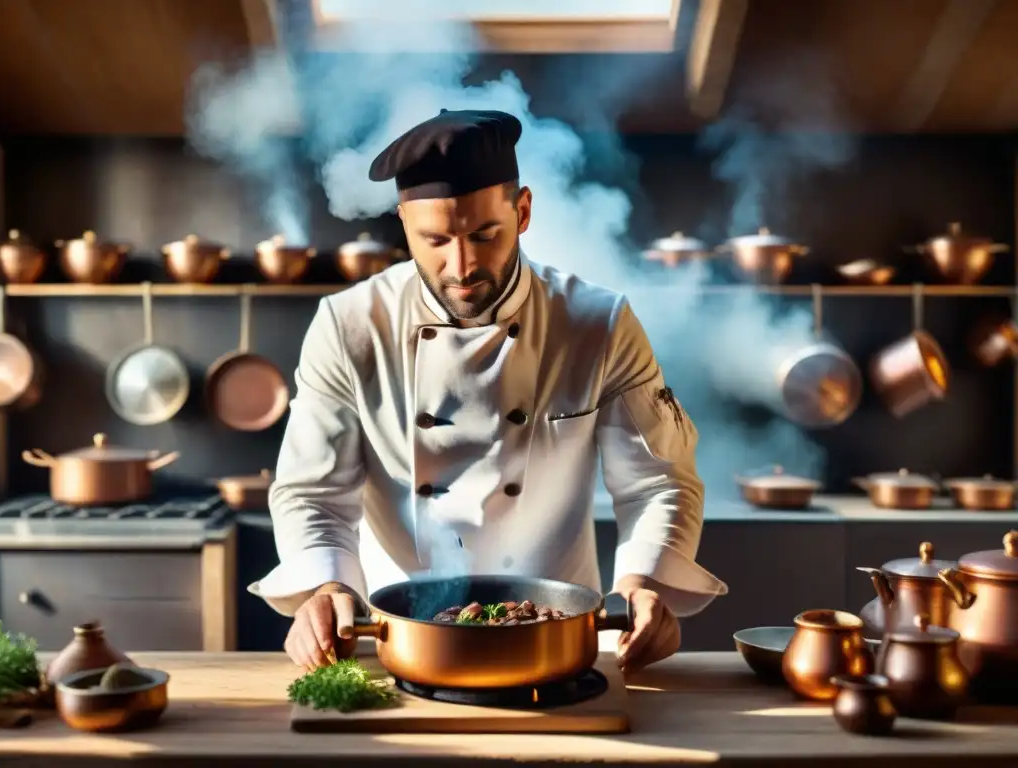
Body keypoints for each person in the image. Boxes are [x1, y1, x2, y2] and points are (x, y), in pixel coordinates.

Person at [248, 108, 727, 674]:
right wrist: (325, 590)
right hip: (404, 640)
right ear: (404, 225)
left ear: (522, 212)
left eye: (484, 234)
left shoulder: (598, 323)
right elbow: (313, 493)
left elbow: (658, 482)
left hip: (557, 638)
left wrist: (642, 586)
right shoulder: (350, 325)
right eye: (435, 240)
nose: (463, 264)